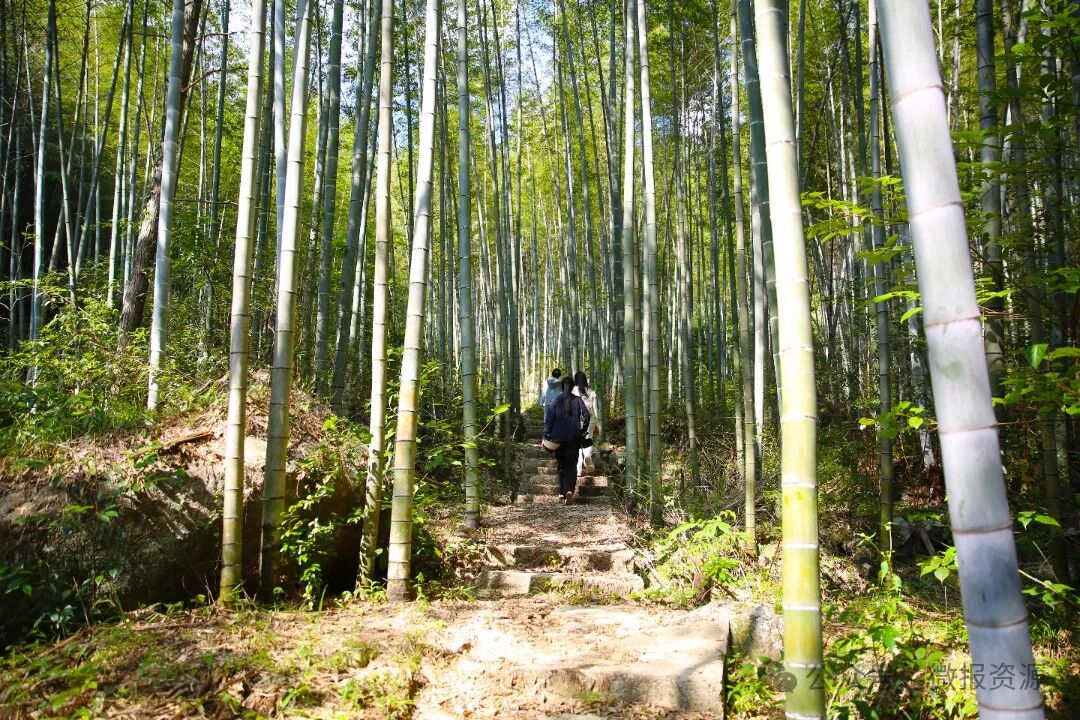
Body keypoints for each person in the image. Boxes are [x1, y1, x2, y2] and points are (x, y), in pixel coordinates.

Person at [543, 377, 591, 505]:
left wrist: (546, 433)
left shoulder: (556, 400)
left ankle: (562, 492)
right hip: (574, 438)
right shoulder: (578, 400)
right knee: (571, 465)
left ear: (561, 387)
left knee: (561, 464)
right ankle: (569, 490)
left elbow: (549, 418)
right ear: (573, 387)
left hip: (558, 438)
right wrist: (583, 431)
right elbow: (587, 415)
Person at [572, 371, 599, 476]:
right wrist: (597, 423)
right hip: (590, 419)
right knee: (588, 439)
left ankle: (578, 470)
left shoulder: (573, 391)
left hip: (577, 420)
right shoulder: (591, 392)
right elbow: (595, 409)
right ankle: (587, 457)